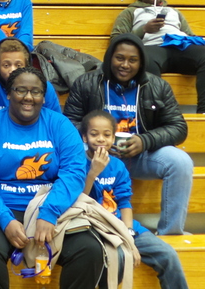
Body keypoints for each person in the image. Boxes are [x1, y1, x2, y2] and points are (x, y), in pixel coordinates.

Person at [0, 66, 104, 289]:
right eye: (21, 90)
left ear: (44, 96)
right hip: (2, 207)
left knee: (89, 250)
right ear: (8, 94)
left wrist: (49, 212)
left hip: (51, 206)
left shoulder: (60, 125)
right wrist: (5, 220)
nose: (28, 97)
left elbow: (73, 173)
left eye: (36, 91)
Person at [64, 33, 193, 235]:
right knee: (75, 151)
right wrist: (97, 142)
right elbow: (69, 123)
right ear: (109, 58)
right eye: (119, 58)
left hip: (141, 155)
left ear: (141, 63)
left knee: (180, 161)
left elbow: (178, 127)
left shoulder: (157, 86)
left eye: (133, 60)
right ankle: (78, 224)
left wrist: (145, 140)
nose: (125, 65)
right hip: (96, 157)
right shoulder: (86, 83)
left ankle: (171, 232)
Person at [81, 110, 189, 289]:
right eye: (94, 134)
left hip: (122, 226)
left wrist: (129, 235)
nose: (101, 139)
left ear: (113, 138)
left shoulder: (117, 165)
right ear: (84, 137)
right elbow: (79, 201)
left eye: (107, 135)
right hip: (95, 227)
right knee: (118, 258)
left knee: (168, 254)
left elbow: (124, 203)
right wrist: (93, 173)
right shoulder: (77, 163)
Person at [111, 0, 205, 114]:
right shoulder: (131, 12)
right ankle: (156, 112)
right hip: (152, 48)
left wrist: (192, 41)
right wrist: (144, 29)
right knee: (145, 60)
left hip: (179, 46)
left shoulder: (174, 12)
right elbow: (116, 40)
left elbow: (190, 35)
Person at [0, 37, 60, 114]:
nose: (12, 70)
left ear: (27, 65)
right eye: (6, 65)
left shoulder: (44, 86)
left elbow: (57, 122)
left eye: (18, 65)